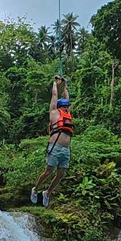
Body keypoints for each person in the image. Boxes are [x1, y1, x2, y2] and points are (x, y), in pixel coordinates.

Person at [31, 76, 72, 207]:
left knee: (60, 174)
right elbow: (55, 95)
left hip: (65, 149)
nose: (66, 108)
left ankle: (47, 193)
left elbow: (66, 96)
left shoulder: (68, 114)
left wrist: (64, 85)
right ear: (60, 107)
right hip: (55, 147)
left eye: (67, 106)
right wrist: (55, 83)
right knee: (48, 171)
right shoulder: (54, 112)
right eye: (64, 106)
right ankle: (36, 189)